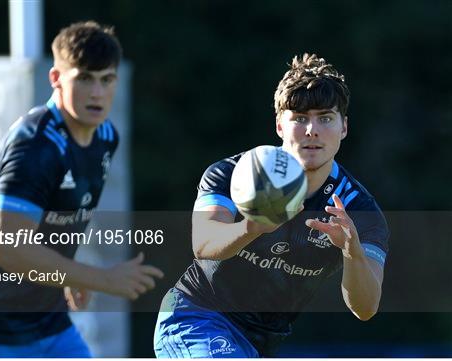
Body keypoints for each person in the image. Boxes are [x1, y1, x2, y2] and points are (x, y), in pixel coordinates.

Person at [0, 21, 163, 358]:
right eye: (84, 78)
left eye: (107, 79)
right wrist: (99, 278)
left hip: (48, 325)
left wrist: (70, 276)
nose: (97, 93)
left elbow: (63, 217)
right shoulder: (36, 147)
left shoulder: (105, 138)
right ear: (56, 78)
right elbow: (8, 250)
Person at [154, 53, 389, 358]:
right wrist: (252, 227)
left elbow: (366, 308)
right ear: (280, 125)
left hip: (259, 345)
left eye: (325, 118)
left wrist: (352, 251)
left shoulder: (359, 210)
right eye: (300, 118)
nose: (312, 130)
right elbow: (204, 243)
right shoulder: (231, 174)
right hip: (195, 318)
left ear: (344, 127)